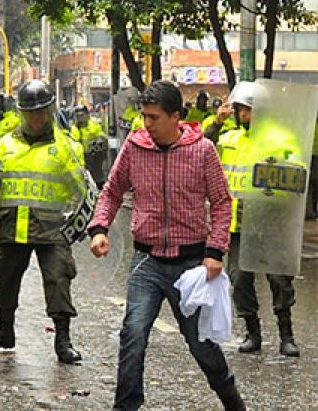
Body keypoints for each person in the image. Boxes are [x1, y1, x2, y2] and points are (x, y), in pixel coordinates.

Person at [87, 80, 245, 410]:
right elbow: (112, 191)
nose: (147, 124)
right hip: (148, 262)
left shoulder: (202, 150)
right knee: (133, 335)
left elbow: (221, 202)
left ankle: (232, 400)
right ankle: (126, 406)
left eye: (154, 117)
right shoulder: (134, 147)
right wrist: (99, 228)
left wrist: (215, 251)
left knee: (201, 344)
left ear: (176, 117)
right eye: (144, 116)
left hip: (191, 265)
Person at [0, 80, 85, 364]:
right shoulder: (4, 144)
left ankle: (63, 340)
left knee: (58, 281)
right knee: (6, 283)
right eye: (31, 112)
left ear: (50, 110)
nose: (37, 118)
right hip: (13, 226)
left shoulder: (66, 147)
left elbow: (80, 190)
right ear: (22, 112)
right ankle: (5, 332)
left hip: (52, 229)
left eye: (42, 111)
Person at [216, 82, 300, 357]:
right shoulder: (229, 140)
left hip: (270, 223)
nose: (241, 115)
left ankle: (286, 334)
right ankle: (253, 332)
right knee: (239, 280)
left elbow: (297, 176)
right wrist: (216, 124)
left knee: (279, 279)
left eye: (246, 110)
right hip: (238, 224)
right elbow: (200, 149)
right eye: (239, 110)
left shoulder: (281, 139)